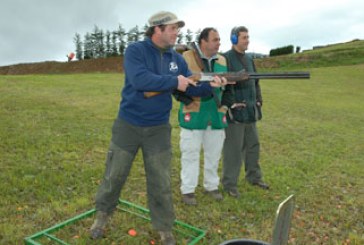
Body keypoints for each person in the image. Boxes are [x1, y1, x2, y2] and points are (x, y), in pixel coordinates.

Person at [89, 11, 225, 245]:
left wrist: (212, 85)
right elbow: (140, 80)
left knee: (160, 181)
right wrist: (175, 81)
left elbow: (190, 89)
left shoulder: (177, 59)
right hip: (128, 125)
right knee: (115, 174)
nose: (177, 33)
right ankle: (102, 216)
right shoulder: (136, 51)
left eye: (177, 29)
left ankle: (164, 228)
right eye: (172, 28)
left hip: (158, 129)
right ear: (157, 29)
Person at [175, 28, 228, 205]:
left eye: (219, 39)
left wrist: (229, 102)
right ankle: (188, 190)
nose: (218, 43)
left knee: (214, 154)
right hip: (194, 113)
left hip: (216, 113)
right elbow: (176, 85)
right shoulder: (186, 58)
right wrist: (186, 100)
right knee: (190, 154)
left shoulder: (222, 60)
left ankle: (211, 186)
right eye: (215, 39)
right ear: (203, 42)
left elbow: (227, 89)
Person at [221, 26, 269, 198]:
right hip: (235, 112)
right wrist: (232, 103)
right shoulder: (225, 58)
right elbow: (224, 83)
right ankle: (229, 184)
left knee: (253, 145)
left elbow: (256, 82)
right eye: (244, 37)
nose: (247, 40)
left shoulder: (249, 59)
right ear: (234, 39)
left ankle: (254, 177)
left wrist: (258, 99)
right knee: (233, 149)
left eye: (248, 37)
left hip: (250, 110)